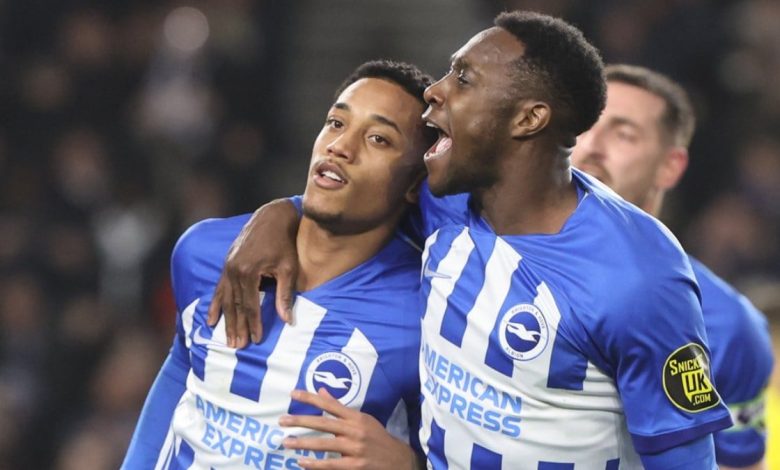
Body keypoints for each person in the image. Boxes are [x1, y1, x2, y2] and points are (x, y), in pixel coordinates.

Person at [212, 12, 733, 469]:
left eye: (463, 78)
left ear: (529, 118)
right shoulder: (444, 198)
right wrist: (278, 214)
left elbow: (684, 459)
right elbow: (346, 190)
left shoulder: (638, 277)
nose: (435, 91)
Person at [121, 60, 437, 469]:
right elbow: (181, 370)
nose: (341, 146)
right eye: (336, 123)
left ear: (415, 184)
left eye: (378, 138)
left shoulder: (424, 313)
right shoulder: (208, 252)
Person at [571, 64, 774, 470]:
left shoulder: (727, 325)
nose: (592, 145)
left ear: (670, 166)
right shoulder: (487, 248)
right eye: (584, 124)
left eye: (623, 134)